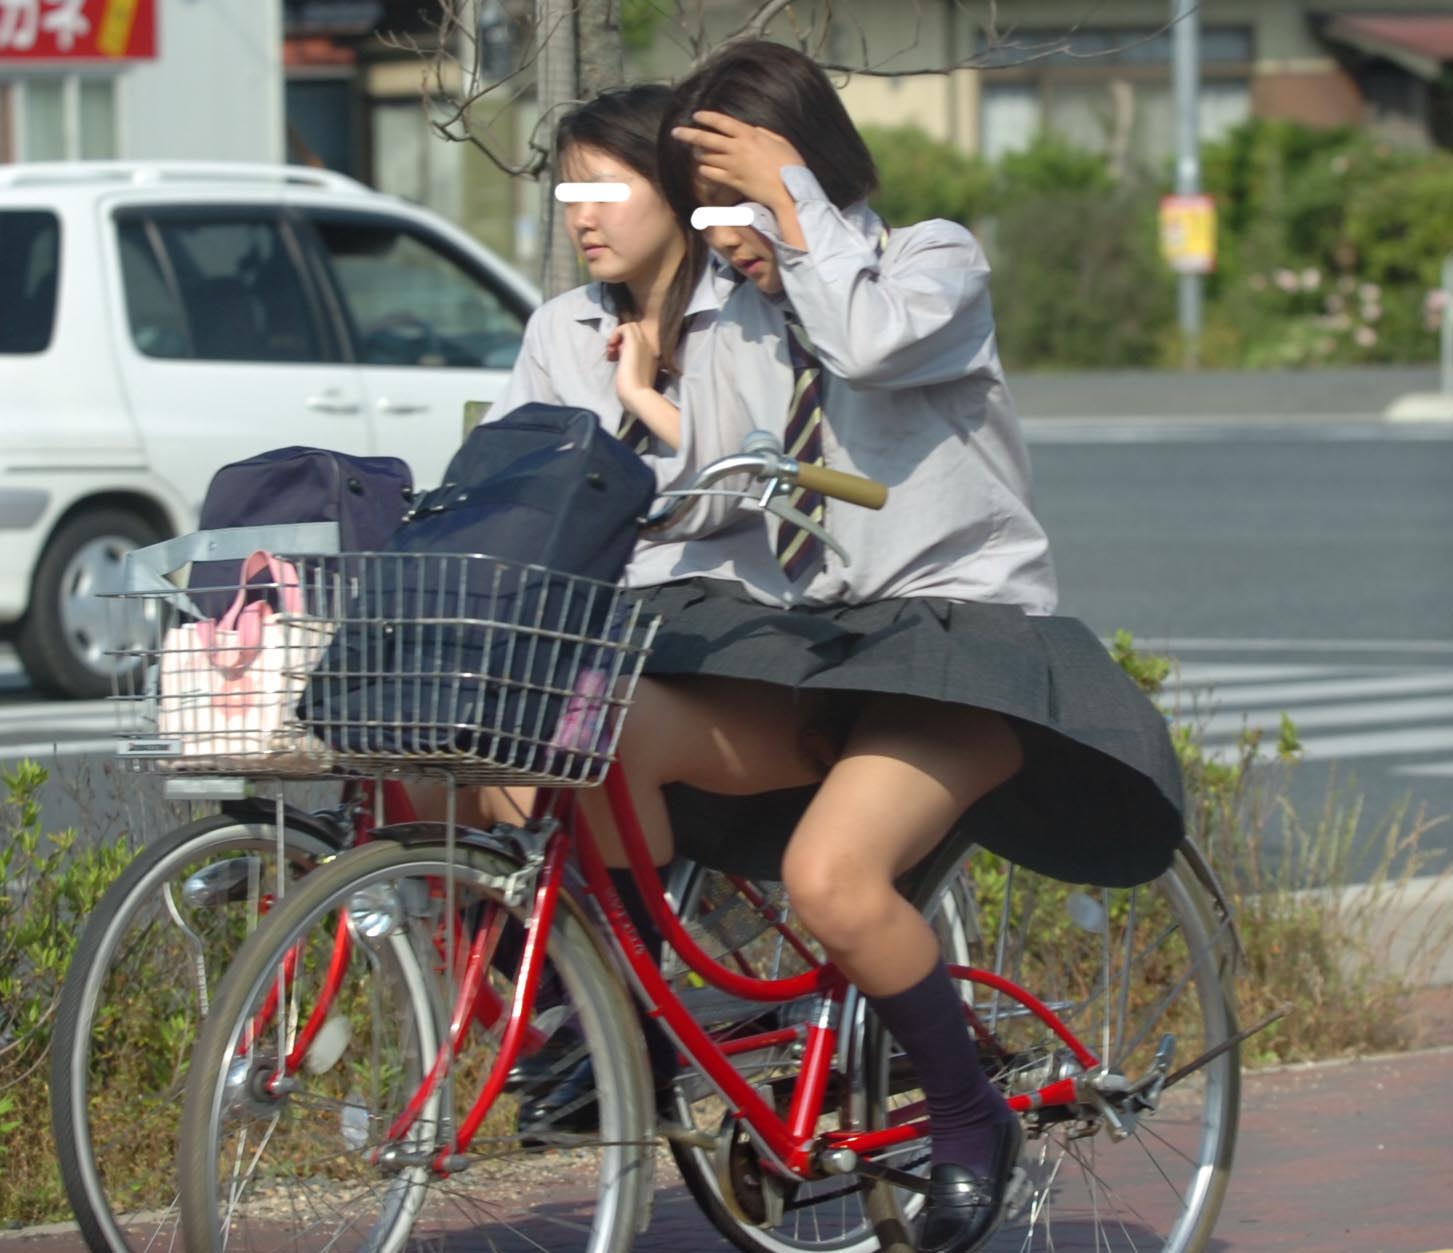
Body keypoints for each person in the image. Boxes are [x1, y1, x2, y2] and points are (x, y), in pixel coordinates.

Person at [571, 40, 1185, 1253]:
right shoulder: (743, 319)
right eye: (706, 210)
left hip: (960, 647)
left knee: (830, 877)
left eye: (735, 200)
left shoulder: (930, 262)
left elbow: (865, 346)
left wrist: (791, 202)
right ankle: (648, 1031)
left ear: (805, 166)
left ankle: (967, 1114)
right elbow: (714, 489)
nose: (723, 235)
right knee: (594, 733)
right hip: (819, 652)